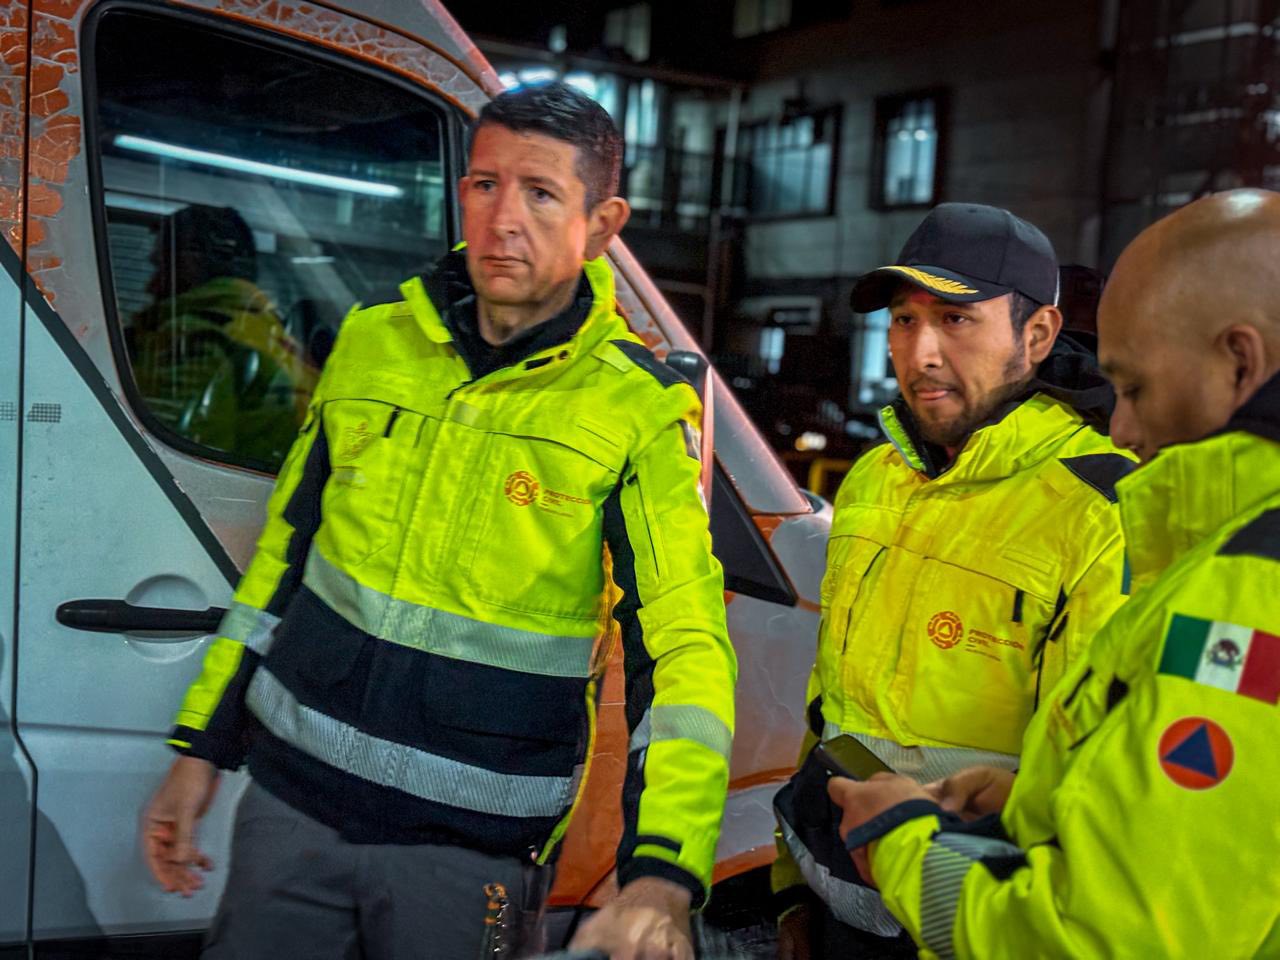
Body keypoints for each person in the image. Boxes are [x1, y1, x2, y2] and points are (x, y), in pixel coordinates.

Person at [139, 82, 736, 960]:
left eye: (542, 193)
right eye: (486, 184)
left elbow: (684, 647)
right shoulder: (373, 341)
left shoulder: (636, 410)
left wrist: (665, 869)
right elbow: (285, 558)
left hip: (472, 855)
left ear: (602, 224)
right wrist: (202, 745)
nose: (504, 219)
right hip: (290, 811)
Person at [830, 187, 1280, 958]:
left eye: (1134, 388)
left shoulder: (1230, 585)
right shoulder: (874, 479)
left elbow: (1112, 936)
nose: (1122, 427)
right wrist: (1031, 803)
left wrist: (902, 843)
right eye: (904, 320)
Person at [772, 203, 1135, 958]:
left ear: (1037, 335)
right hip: (836, 905)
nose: (921, 353)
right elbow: (831, 708)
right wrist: (793, 890)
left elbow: (1096, 781)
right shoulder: (876, 476)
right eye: (905, 321)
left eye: (956, 320)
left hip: (964, 925)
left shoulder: (1100, 510)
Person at [129, 203, 319, 466]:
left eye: (160, 265)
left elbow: (183, 454)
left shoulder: (195, 334)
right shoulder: (267, 330)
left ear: (190, 261)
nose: (150, 285)